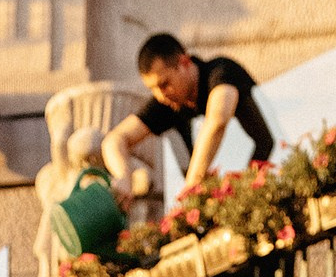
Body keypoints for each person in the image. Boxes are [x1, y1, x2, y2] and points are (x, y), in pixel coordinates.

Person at [101, 31, 275, 201]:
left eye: (164, 84)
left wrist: (191, 188)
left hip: (271, 186)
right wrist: (124, 176)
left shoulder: (221, 71)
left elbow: (218, 120)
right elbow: (115, 139)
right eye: (152, 89)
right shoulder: (167, 102)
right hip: (227, 203)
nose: (160, 95)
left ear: (184, 62)